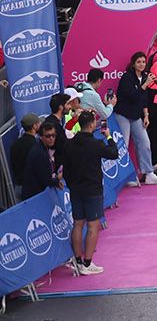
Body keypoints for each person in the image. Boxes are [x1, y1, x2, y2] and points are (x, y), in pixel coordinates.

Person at [61, 109, 119, 276]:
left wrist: (71, 185)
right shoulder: (96, 144)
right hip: (92, 190)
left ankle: (78, 261)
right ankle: (87, 263)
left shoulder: (69, 144)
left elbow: (66, 169)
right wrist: (108, 136)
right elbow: (114, 153)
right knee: (93, 226)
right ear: (93, 124)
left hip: (75, 190)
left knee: (78, 224)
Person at [115, 52, 157, 185]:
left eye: (143, 62)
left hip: (137, 115)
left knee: (144, 143)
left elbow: (144, 99)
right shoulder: (127, 77)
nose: (142, 64)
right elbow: (133, 96)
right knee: (123, 145)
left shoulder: (144, 76)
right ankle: (125, 177)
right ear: (133, 64)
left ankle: (149, 173)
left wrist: (146, 115)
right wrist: (145, 84)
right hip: (123, 114)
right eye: (138, 62)